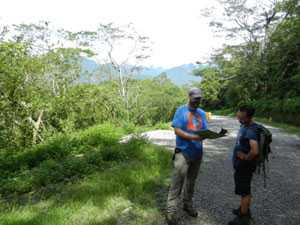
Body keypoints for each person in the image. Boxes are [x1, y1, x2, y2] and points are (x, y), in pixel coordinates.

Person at [166, 87, 208, 225]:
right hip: (183, 153)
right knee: (177, 184)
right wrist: (192, 137)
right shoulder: (181, 111)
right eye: (195, 98)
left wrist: (212, 135)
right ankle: (171, 212)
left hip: (197, 153)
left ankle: (187, 205)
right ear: (189, 97)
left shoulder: (202, 113)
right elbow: (177, 130)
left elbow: (204, 131)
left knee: (191, 182)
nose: (197, 101)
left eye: (199, 99)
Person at [228, 106, 259, 225]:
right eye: (238, 116)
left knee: (244, 191)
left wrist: (245, 157)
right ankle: (243, 209)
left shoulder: (250, 130)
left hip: (244, 166)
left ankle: (243, 219)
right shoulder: (245, 125)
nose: (239, 119)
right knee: (244, 189)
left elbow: (255, 150)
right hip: (242, 166)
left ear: (247, 117)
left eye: (241, 118)